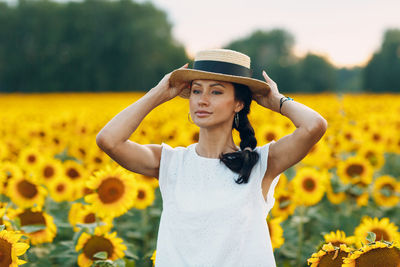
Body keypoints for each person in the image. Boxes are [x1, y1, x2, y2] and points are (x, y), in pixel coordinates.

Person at [96, 48, 328, 266]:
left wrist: (277, 102)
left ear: (238, 103)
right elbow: (109, 140)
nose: (202, 100)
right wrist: (158, 94)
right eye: (196, 90)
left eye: (216, 91)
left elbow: (314, 126)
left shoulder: (261, 164)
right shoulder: (170, 162)